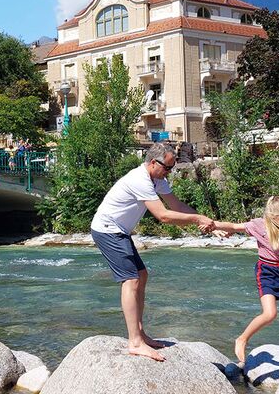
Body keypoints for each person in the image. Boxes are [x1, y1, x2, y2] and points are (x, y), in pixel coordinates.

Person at [91, 142, 217, 361]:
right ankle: (135, 342)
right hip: (108, 230)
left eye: (172, 168)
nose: (169, 172)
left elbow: (176, 206)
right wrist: (198, 219)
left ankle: (140, 334)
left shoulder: (157, 178)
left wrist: (208, 224)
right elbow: (164, 216)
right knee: (130, 281)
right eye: (167, 168)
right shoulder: (139, 179)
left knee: (141, 275)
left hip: (119, 231)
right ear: (153, 163)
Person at [212, 196, 279, 368]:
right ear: (272, 216)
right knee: (270, 314)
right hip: (266, 272)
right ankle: (242, 339)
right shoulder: (258, 225)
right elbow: (232, 226)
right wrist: (211, 224)